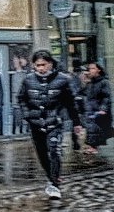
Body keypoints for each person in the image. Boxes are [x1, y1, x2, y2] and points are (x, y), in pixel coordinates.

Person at [17, 49, 82, 199]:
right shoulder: (28, 80)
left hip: (54, 122)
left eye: (43, 65)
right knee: (42, 154)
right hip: (35, 123)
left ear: (50, 64)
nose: (41, 68)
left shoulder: (63, 79)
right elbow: (21, 98)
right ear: (33, 65)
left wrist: (76, 122)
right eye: (37, 65)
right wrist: (26, 114)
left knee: (54, 150)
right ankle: (51, 177)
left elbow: (70, 103)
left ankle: (54, 184)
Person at [83, 61, 112, 154]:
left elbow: (106, 96)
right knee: (91, 128)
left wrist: (103, 108)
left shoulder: (104, 82)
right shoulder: (90, 82)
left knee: (97, 128)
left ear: (98, 70)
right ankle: (92, 146)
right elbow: (84, 93)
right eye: (89, 68)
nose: (90, 70)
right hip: (90, 109)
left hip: (98, 108)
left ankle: (93, 147)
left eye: (92, 68)